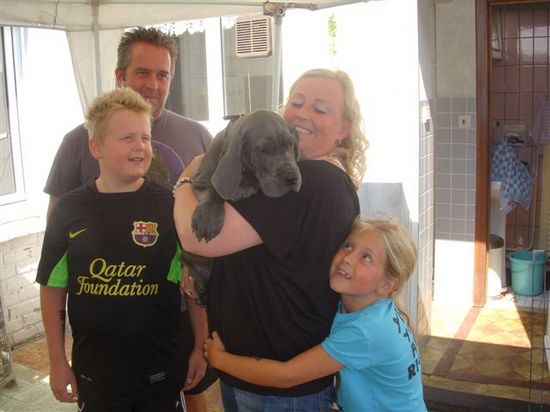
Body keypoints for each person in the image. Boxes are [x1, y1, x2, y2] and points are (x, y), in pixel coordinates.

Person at [174, 68, 368, 411]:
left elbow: (195, 237)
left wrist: (186, 179)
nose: (303, 114)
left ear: (343, 129)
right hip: (252, 373)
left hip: (278, 389)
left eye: (320, 109)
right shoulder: (297, 177)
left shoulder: (312, 181)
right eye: (297, 102)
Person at [43, 26, 216, 410]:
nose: (153, 84)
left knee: (188, 393)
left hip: (169, 330)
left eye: (162, 74)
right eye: (143, 72)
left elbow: (198, 262)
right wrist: (57, 358)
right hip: (98, 351)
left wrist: (201, 341)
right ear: (120, 75)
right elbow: (56, 264)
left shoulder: (198, 140)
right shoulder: (77, 146)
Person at [204, 218, 427, 412]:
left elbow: (286, 375)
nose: (348, 258)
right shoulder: (371, 310)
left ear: (387, 284)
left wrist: (219, 359)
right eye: (348, 246)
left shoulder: (367, 331)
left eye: (366, 257)